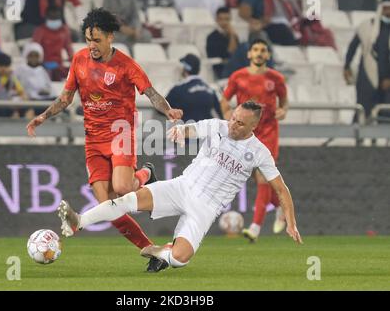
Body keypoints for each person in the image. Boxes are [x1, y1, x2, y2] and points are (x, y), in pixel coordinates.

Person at [58, 101, 302, 272]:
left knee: (180, 258)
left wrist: (290, 222)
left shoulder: (260, 152)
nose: (233, 125)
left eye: (240, 123)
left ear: (253, 127)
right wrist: (180, 131)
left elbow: (281, 189)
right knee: (126, 201)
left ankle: (161, 251)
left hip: (205, 207)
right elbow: (192, 129)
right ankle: (78, 221)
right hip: (183, 187)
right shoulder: (218, 126)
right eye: (233, 118)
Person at [26, 8, 183, 271]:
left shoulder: (126, 65)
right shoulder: (78, 61)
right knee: (107, 205)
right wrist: (43, 116)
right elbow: (66, 98)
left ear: (110, 37)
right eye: (88, 40)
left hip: (121, 132)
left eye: (97, 40)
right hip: (93, 140)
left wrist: (167, 110)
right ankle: (152, 251)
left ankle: (145, 173)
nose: (92, 46)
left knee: (122, 189)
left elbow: (151, 93)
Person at [220, 39, 288, 242]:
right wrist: (227, 115)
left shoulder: (276, 78)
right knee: (256, 177)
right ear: (249, 54)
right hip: (245, 134)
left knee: (262, 177)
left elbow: (284, 102)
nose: (259, 53)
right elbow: (225, 98)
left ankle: (255, 228)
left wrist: (282, 111)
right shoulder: (238, 76)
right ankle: (281, 207)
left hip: (268, 133)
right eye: (256, 50)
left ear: (268, 55)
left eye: (263, 50)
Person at [344, 0, 390, 121]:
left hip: (387, 80)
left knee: (384, 113)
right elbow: (353, 46)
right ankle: (357, 137)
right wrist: (346, 65)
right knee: (363, 108)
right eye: (386, 9)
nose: (388, 12)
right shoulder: (367, 26)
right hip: (367, 75)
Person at [166, 54, 223, 122]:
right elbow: (219, 115)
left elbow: (163, 109)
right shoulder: (210, 90)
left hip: (186, 129)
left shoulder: (178, 89)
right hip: (206, 130)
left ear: (185, 68)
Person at [32, 5, 74, 81]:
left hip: (59, 66)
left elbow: (69, 49)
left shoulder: (64, 30)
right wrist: (39, 64)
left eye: (56, 18)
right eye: (52, 17)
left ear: (60, 18)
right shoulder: (40, 31)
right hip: (43, 65)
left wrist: (75, 64)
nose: (54, 20)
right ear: (46, 17)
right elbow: (34, 49)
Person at [0, 53, 32, 118]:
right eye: (0, 66)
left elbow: (22, 92)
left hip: (11, 104)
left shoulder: (12, 78)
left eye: (6, 66)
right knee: (13, 113)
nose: (3, 68)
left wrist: (24, 98)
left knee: (29, 110)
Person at [206, 7, 240, 79]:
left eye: (227, 19)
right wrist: (232, 36)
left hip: (235, 67)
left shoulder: (233, 35)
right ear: (217, 20)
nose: (224, 22)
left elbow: (237, 54)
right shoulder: (212, 37)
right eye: (221, 19)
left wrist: (232, 35)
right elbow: (229, 53)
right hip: (222, 69)